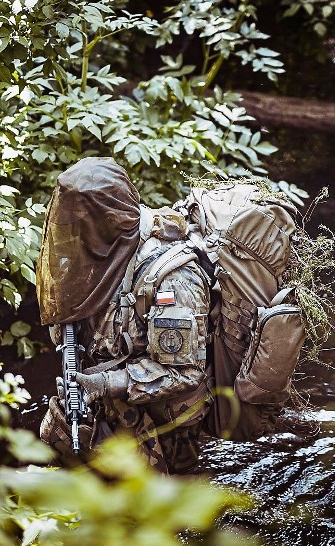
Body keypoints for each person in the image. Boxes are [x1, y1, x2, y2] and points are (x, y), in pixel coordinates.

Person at [36, 157, 212, 474]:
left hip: (160, 417)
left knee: (143, 512)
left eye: (84, 225)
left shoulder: (172, 278)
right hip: (110, 400)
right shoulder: (99, 253)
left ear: (107, 222)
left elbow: (184, 374)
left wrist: (105, 383)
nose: (75, 235)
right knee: (57, 442)